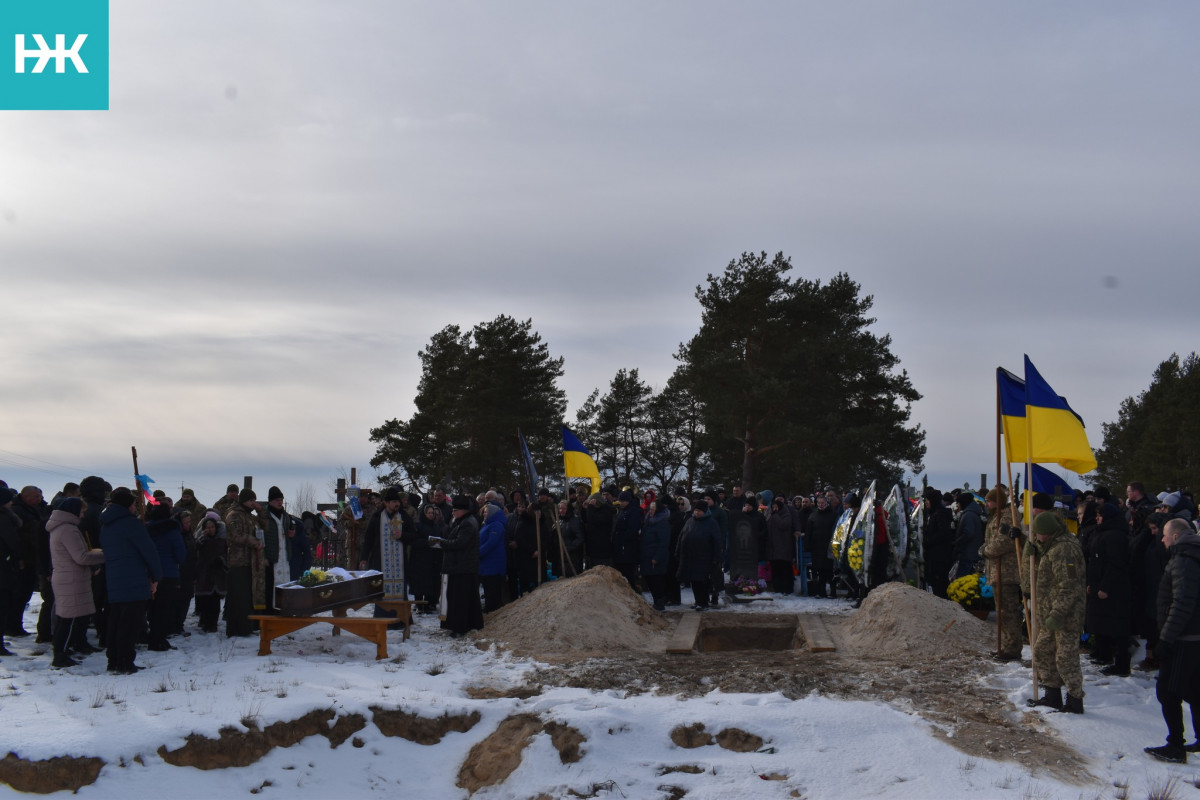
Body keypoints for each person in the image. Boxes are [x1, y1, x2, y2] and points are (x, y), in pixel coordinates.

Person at [1145, 519, 1200, 763]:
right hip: (1194, 636)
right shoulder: (1192, 554)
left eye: (1165, 536)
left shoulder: (1183, 560)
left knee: (1168, 691)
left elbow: (1181, 604)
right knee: (1195, 689)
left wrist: (1165, 640)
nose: (1162, 540)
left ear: (1176, 536)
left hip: (1183, 638)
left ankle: (1175, 745)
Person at [1022, 510, 1086, 713]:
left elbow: (1070, 585)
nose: (1036, 538)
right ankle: (1052, 695)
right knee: (1042, 650)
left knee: (1065, 657)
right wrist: (1036, 553)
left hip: (1065, 614)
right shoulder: (1052, 546)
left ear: (1047, 533)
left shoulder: (1064, 550)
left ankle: (1074, 699)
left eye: (1038, 534)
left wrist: (1058, 613)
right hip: (1050, 612)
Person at [100, 487, 162, 674]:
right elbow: (149, 551)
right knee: (130, 624)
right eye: (134, 504)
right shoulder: (131, 524)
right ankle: (126, 662)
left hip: (114, 579)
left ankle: (113, 660)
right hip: (133, 580)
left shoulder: (106, 524)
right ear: (128, 505)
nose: (136, 507)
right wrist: (156, 576)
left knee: (116, 621)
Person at [47, 497, 105, 667]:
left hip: (70, 577)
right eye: (81, 511)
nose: (82, 515)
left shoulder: (64, 528)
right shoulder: (68, 530)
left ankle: (76, 645)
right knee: (68, 619)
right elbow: (81, 556)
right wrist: (104, 555)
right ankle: (60, 654)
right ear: (73, 511)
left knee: (76, 616)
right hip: (71, 579)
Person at [1086, 502, 1133, 676]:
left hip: (1114, 589)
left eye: (1100, 515)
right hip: (1100, 584)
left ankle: (1121, 664)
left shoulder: (1115, 536)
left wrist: (1105, 586)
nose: (1097, 518)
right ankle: (1103, 653)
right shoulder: (1102, 533)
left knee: (1117, 627)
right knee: (1101, 622)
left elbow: (1116, 564)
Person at [982, 486, 1024, 662]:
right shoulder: (995, 516)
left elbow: (1004, 542)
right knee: (1002, 612)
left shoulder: (1006, 516)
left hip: (1006, 571)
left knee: (1008, 612)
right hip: (998, 571)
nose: (986, 505)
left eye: (989, 501)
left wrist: (986, 551)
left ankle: (1012, 648)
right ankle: (1006, 645)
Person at [359, 487, 410, 629]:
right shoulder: (376, 517)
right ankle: (383, 619)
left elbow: (414, 535)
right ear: (386, 503)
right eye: (394, 502)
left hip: (399, 563)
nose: (396, 504)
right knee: (382, 591)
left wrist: (403, 536)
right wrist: (364, 557)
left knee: (400, 590)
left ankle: (401, 620)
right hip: (381, 562)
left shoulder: (404, 517)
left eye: (397, 501)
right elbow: (368, 539)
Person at [439, 496, 483, 636]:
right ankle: (466, 624)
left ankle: (460, 627)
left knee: (460, 600)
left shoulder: (467, 523)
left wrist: (442, 543)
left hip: (462, 566)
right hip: (462, 566)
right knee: (464, 598)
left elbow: (460, 543)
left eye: (455, 510)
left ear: (463, 510)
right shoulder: (463, 521)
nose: (453, 513)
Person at [224, 488, 266, 637]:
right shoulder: (233, 515)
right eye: (250, 501)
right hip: (238, 561)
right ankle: (237, 629)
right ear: (243, 501)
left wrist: (260, 512)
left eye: (254, 500)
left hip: (251, 561)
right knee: (238, 597)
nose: (253, 503)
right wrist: (254, 542)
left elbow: (263, 526)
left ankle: (247, 627)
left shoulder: (250, 516)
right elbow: (236, 536)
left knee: (248, 597)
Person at [145, 503, 186, 651]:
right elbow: (181, 556)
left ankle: (152, 637)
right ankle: (159, 639)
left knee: (152, 608)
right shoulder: (172, 531)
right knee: (164, 609)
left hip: (149, 574)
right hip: (168, 574)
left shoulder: (146, 530)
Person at [677, 499, 723, 610]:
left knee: (701, 580)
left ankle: (703, 602)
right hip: (690, 556)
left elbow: (717, 541)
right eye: (696, 510)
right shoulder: (690, 521)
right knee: (693, 580)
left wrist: (717, 557)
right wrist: (678, 551)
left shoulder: (711, 523)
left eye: (700, 511)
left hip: (704, 556)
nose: (697, 513)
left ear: (705, 511)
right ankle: (698, 600)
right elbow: (682, 536)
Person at [1, 488, 26, 656]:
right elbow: (12, 541)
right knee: (3, 604)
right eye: (9, 500)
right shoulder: (3, 518)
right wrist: (18, 557)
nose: (12, 503)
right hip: (4, 566)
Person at [193, 513, 227, 633]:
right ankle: (204, 621)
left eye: (212, 527)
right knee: (205, 601)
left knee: (214, 602)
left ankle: (213, 624)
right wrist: (202, 537)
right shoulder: (201, 540)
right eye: (208, 527)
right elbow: (195, 549)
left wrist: (220, 560)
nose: (210, 529)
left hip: (217, 575)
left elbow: (226, 553)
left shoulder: (221, 540)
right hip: (204, 574)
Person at [923, 487, 955, 598]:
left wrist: (928, 541)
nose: (926, 503)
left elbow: (943, 533)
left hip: (940, 556)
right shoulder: (934, 513)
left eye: (928, 500)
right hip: (936, 555)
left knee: (940, 584)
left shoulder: (940, 514)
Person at [640, 499, 671, 610]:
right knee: (649, 580)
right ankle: (656, 602)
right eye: (651, 509)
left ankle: (660, 603)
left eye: (654, 509)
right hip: (646, 555)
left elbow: (663, 542)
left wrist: (657, 557)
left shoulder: (662, 523)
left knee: (656, 581)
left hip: (655, 557)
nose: (651, 511)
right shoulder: (648, 521)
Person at [806, 494, 838, 598]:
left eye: (823, 503)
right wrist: (808, 545)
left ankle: (833, 592)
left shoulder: (833, 514)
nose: (821, 505)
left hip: (829, 546)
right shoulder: (813, 515)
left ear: (826, 503)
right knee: (820, 570)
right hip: (817, 547)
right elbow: (808, 531)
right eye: (819, 503)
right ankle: (821, 591)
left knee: (830, 571)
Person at [478, 500, 507, 612]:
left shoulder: (496, 525)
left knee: (492, 588)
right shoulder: (487, 524)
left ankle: (493, 609)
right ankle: (490, 608)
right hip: (486, 563)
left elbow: (491, 542)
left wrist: (479, 552)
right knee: (487, 588)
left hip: (493, 563)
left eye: (486, 512)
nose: (484, 514)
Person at [613, 491, 643, 590]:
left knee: (629, 574)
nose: (620, 503)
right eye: (620, 501)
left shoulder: (633, 511)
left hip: (628, 549)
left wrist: (621, 538)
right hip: (621, 548)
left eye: (623, 501)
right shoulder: (623, 510)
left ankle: (633, 592)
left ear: (628, 500)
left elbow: (633, 530)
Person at [952, 492, 984, 581]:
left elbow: (968, 533)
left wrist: (956, 542)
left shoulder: (969, 514)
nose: (957, 505)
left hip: (968, 554)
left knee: (963, 581)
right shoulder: (971, 512)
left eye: (958, 503)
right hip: (971, 553)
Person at [766, 497, 795, 595]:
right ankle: (777, 588)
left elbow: (783, 525)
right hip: (773, 547)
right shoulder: (771, 515)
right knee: (776, 570)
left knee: (785, 569)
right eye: (773, 507)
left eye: (776, 507)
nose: (774, 509)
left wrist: (776, 516)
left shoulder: (786, 515)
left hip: (784, 546)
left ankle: (787, 589)